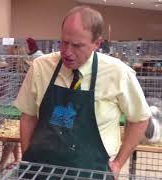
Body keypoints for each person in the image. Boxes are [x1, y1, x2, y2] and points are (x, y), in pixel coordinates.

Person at [14, 6, 151, 179]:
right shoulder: (41, 67)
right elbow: (28, 116)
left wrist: (118, 164)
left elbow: (140, 119)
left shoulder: (118, 73)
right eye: (64, 42)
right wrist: (28, 156)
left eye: (77, 45)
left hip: (90, 171)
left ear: (97, 43)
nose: (68, 52)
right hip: (41, 169)